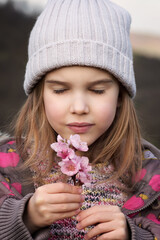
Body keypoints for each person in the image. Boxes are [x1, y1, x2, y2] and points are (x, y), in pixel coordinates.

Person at [0, 0, 160, 239]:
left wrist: (133, 234)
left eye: (97, 91)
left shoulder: (149, 173)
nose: (79, 107)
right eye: (60, 90)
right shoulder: (8, 164)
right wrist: (25, 216)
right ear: (39, 94)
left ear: (119, 94)